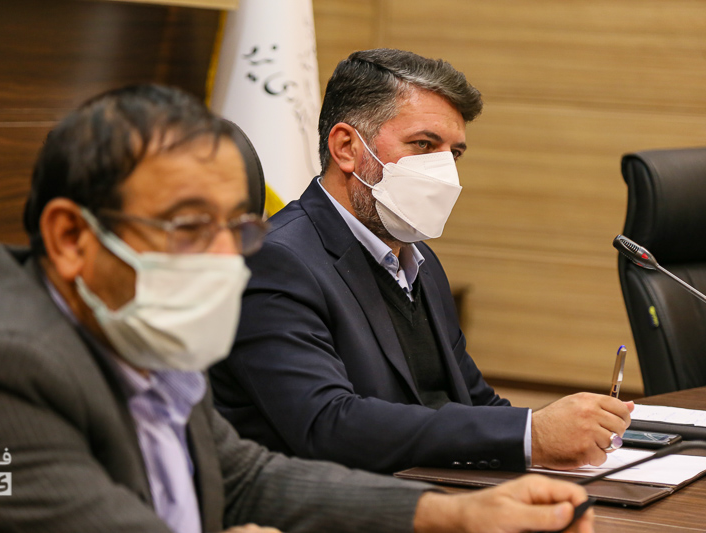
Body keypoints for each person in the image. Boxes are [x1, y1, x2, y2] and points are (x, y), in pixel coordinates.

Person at [0, 84, 592, 533]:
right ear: (70, 238)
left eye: (234, 229)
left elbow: (241, 479)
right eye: (188, 226)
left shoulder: (133, 326)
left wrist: (454, 515)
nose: (224, 259)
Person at [210, 48, 634, 474]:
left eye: (454, 153)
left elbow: (473, 402)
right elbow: (328, 424)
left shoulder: (418, 260)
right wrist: (530, 435)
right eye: (424, 145)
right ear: (346, 148)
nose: (444, 171)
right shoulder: (276, 261)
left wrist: (559, 434)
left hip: (438, 486)